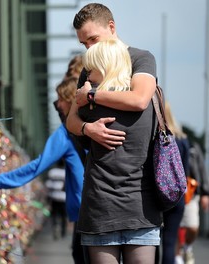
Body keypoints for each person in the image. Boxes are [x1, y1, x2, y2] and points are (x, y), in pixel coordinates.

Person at [66, 9, 162, 262]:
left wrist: (91, 95)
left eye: (92, 40)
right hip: (100, 202)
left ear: (111, 27)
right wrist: (88, 129)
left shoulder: (140, 59)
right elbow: (72, 121)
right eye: (84, 43)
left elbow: (139, 99)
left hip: (140, 202)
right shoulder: (89, 70)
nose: (88, 48)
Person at [0, 75, 87, 264]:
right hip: (104, 205)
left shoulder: (66, 132)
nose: (57, 104)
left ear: (70, 100)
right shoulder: (92, 126)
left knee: (81, 255)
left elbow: (38, 166)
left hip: (84, 211)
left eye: (60, 99)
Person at [157, 102, 190, 264]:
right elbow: (186, 173)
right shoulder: (182, 139)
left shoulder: (154, 137)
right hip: (177, 196)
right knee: (169, 243)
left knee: (152, 242)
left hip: (156, 196)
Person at [176, 139, 209, 264]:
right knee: (176, 227)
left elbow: (201, 169)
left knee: (192, 226)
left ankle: (187, 247)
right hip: (174, 193)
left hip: (191, 192)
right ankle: (177, 255)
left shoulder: (193, 146)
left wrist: (205, 193)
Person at [45, 167, 67, 240]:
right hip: (64, 198)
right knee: (64, 216)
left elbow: (48, 185)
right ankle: (63, 232)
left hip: (54, 197)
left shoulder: (52, 172)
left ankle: (55, 226)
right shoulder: (66, 171)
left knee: (54, 215)